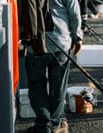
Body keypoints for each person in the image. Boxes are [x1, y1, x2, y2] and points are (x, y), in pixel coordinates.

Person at [24, 0, 83, 133]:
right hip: (61, 42)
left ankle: (43, 124)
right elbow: (74, 14)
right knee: (58, 86)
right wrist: (77, 37)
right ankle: (55, 124)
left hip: (35, 43)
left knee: (36, 85)